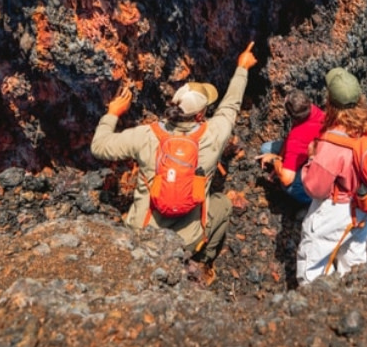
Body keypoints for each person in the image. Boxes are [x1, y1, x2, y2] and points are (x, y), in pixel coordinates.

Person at [91, 42, 259, 286]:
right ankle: (203, 260)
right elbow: (230, 106)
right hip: (185, 242)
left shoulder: (145, 135)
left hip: (141, 234)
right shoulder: (213, 135)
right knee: (222, 204)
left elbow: (99, 146)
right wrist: (242, 68)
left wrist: (112, 114)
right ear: (200, 115)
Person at [296, 68, 367, 284]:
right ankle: (352, 304)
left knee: (311, 265)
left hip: (339, 209)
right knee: (353, 261)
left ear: (330, 101)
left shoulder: (332, 142)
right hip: (364, 203)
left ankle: (315, 310)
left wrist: (312, 159)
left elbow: (315, 188)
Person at [256, 90, 325, 206]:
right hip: (312, 148)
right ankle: (292, 165)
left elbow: (287, 179)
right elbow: (290, 139)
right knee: (265, 149)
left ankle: (313, 201)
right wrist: (280, 158)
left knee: (287, 185)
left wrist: (274, 161)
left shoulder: (296, 139)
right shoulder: (312, 109)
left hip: (317, 163)